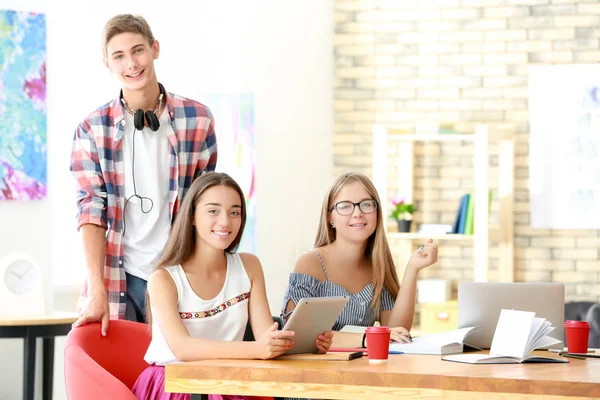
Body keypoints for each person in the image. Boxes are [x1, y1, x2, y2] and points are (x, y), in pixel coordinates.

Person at [70, 14, 217, 334]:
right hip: (119, 278)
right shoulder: (93, 128)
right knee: (121, 380)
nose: (131, 64)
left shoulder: (198, 118)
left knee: (177, 380)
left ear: (155, 49)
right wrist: (97, 290)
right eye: (119, 56)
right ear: (107, 63)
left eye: (137, 51)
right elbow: (91, 210)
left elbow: (208, 206)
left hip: (180, 277)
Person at [132, 172, 333, 400]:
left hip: (229, 383)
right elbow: (183, 349)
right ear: (193, 216)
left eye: (234, 212)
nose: (225, 221)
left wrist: (306, 344)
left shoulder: (249, 266)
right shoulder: (164, 279)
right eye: (213, 211)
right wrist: (257, 349)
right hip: (176, 386)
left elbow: (266, 336)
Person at [282, 172, 438, 349]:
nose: (357, 213)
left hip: (362, 370)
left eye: (366, 205)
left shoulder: (378, 266)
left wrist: (413, 269)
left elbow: (397, 331)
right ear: (330, 217)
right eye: (345, 206)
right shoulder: (310, 263)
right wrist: (366, 338)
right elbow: (297, 336)